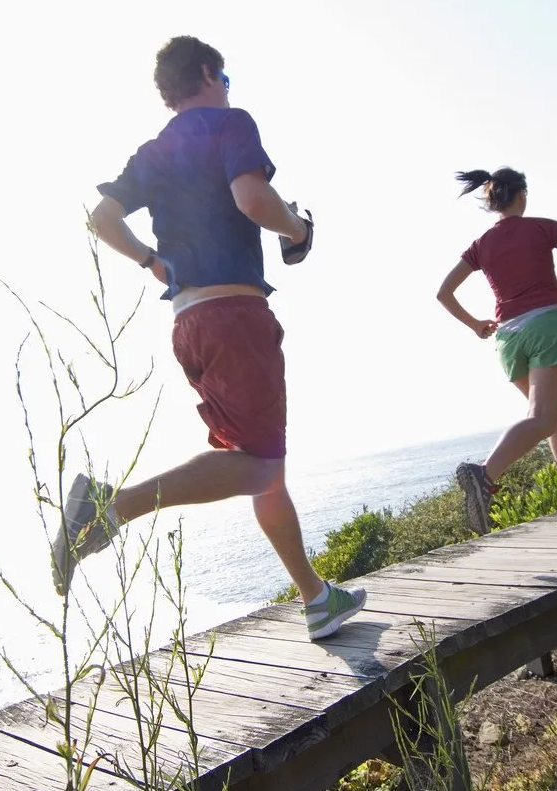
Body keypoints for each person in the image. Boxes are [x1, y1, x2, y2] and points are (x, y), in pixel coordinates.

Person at [50, 36, 366, 641]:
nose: (228, 88)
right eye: (226, 78)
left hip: (189, 321)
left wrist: (150, 261)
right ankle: (110, 508)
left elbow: (102, 218)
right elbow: (253, 198)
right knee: (259, 466)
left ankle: (317, 598)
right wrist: (297, 229)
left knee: (262, 464)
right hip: (235, 317)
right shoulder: (231, 123)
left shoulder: (154, 152)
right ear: (207, 73)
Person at [437, 167, 557, 534]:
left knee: (555, 421)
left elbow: (444, 293)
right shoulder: (544, 227)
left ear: (492, 201)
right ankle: (484, 475)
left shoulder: (481, 245)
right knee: (544, 417)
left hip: (508, 340)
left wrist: (475, 325)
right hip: (546, 327)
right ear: (522, 195)